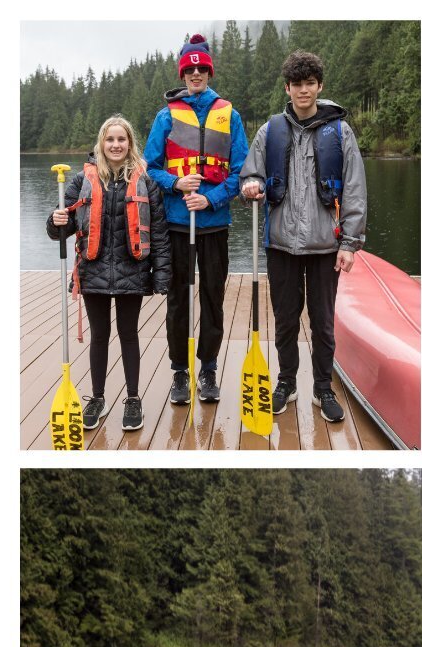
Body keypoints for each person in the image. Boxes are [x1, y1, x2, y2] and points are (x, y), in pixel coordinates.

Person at [240, 49, 368, 424]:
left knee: (323, 322)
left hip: (326, 245)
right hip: (281, 244)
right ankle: (286, 382)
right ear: (288, 87)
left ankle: (323, 388)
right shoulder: (270, 131)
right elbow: (251, 173)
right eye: (297, 84)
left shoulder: (341, 132)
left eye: (310, 84)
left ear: (319, 86)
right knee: (285, 319)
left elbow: (356, 190)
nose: (303, 91)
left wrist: (350, 243)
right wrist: (251, 185)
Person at [46, 116, 171, 433]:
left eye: (122, 139)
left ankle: (132, 399)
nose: (116, 145)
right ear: (101, 144)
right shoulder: (81, 181)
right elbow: (61, 230)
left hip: (132, 270)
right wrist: (56, 220)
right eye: (110, 140)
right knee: (99, 337)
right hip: (93, 271)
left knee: (129, 334)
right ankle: (98, 398)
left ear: (130, 143)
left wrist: (162, 276)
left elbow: (158, 233)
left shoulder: (146, 181)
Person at [144, 33, 248, 408]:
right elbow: (150, 168)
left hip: (215, 223)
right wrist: (176, 183)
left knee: (213, 299)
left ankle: (207, 368)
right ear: (183, 74)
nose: (196, 74)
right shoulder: (165, 116)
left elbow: (241, 171)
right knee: (178, 299)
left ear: (209, 71)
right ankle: (179, 371)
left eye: (202, 68)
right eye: (190, 69)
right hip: (176, 223)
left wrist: (211, 197)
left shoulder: (229, 115)